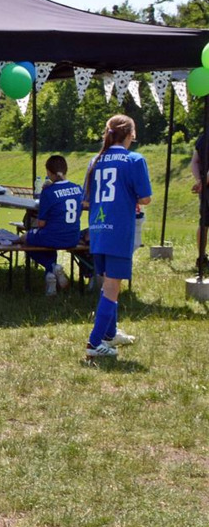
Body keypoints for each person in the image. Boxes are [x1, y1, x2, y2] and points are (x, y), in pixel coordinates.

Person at [82, 114, 153, 359]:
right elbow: (145, 198)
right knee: (113, 286)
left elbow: (87, 200)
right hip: (119, 229)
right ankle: (94, 343)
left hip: (98, 228)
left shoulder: (95, 160)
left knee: (107, 283)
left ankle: (110, 334)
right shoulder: (134, 159)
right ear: (131, 134)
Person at [22, 155, 84, 295]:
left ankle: (52, 267)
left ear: (49, 173)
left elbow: (41, 223)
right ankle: (50, 279)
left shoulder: (48, 192)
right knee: (48, 243)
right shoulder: (77, 189)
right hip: (73, 237)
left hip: (53, 236)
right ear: (66, 170)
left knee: (25, 240)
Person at [193, 128, 208, 270]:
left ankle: (201, 256)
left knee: (204, 222)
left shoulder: (203, 137)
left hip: (205, 188)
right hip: (205, 185)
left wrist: (199, 181)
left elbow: (195, 162)